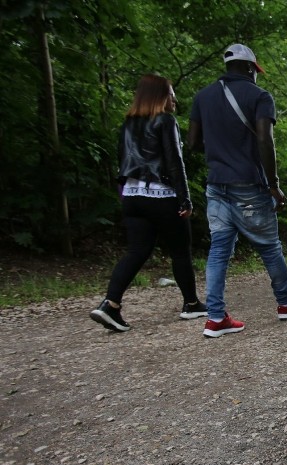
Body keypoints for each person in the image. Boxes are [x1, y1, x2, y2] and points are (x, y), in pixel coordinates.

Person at [188, 43, 287, 338]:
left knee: (218, 251)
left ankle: (215, 318)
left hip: (216, 185)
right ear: (251, 67)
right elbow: (265, 141)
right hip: (249, 185)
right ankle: (284, 303)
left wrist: (221, 149)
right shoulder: (259, 96)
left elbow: (191, 143)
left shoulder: (202, 97)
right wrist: (273, 185)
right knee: (269, 246)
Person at [90, 74, 207, 333]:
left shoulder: (128, 123)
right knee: (180, 251)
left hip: (131, 196)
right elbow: (175, 161)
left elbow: (122, 162)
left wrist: (125, 197)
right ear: (160, 96)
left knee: (137, 251)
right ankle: (191, 303)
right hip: (161, 195)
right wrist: (184, 197)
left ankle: (110, 304)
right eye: (171, 94)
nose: (175, 99)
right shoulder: (166, 121)